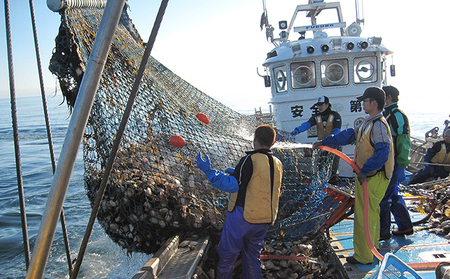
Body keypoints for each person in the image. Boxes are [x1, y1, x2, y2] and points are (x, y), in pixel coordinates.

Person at [314, 87, 394, 265]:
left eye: (365, 101)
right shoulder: (368, 123)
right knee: (370, 213)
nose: (363, 104)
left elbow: (383, 151)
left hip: (373, 177)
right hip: (368, 176)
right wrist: (325, 142)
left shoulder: (379, 125)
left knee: (364, 215)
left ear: (374, 103)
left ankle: (364, 256)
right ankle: (372, 249)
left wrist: (366, 170)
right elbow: (348, 135)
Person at [197, 124, 283, 279]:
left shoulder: (249, 159)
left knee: (226, 257)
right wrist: (236, 173)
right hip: (265, 219)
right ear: (273, 142)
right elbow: (261, 184)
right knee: (252, 257)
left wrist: (210, 172)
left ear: (254, 139)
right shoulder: (278, 163)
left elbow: (232, 186)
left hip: (242, 218)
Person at [379, 86, 414, 240]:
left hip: (393, 164)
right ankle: (405, 226)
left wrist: (401, 165)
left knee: (384, 198)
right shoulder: (387, 115)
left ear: (390, 98)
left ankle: (383, 233)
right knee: (393, 195)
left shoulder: (397, 116)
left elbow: (403, 141)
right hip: (389, 163)